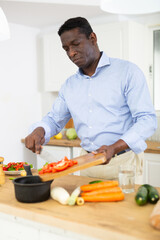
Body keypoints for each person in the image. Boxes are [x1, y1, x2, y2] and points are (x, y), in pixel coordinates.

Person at [25, 17, 157, 179]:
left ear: (92, 38)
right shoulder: (69, 85)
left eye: (75, 44)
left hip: (124, 162)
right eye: (66, 49)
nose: (71, 53)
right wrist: (40, 130)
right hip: (86, 163)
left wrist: (114, 147)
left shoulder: (128, 72)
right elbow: (54, 119)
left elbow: (147, 120)